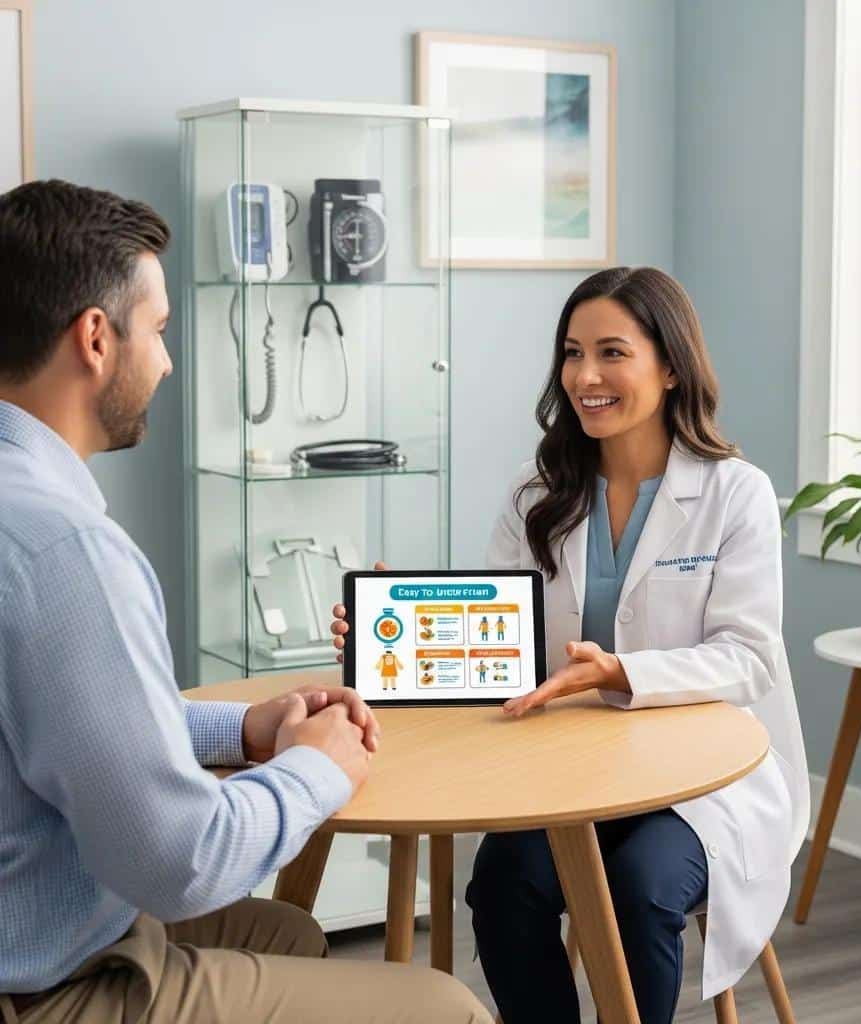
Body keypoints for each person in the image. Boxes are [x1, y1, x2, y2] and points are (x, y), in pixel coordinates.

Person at [0, 179, 490, 1024]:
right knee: (448, 1008)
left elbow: (66, 725)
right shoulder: (62, 548)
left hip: (44, 915)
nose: (167, 360)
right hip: (47, 987)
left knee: (291, 936)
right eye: (156, 331)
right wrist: (317, 768)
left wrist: (248, 728)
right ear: (94, 338)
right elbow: (181, 860)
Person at [456, 267, 808, 1023]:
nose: (586, 376)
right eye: (573, 352)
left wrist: (622, 672)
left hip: (700, 778)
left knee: (640, 887)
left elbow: (749, 656)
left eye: (612, 352)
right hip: (572, 768)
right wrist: (410, 631)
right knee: (502, 883)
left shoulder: (732, 492)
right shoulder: (536, 493)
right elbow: (499, 639)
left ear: (671, 365)